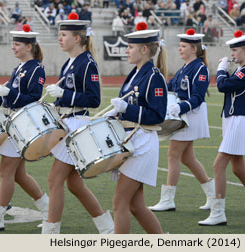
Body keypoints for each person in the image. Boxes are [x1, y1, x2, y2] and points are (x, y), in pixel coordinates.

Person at [42, 13, 114, 234]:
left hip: (77, 125)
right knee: (73, 183)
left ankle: (51, 232)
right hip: (67, 122)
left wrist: (65, 94)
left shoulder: (87, 62)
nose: (60, 39)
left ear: (77, 38)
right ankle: (106, 226)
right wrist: (57, 103)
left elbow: (93, 100)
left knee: (54, 180)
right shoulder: (70, 62)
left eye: (64, 35)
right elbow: (69, 94)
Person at [0, 24, 49, 232]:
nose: (13, 47)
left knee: (6, 171)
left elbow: (33, 99)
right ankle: (47, 209)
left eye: (17, 44)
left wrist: (10, 95)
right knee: (18, 175)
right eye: (13, 44)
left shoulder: (36, 68)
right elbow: (10, 91)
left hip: (23, 125)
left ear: (29, 47)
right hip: (12, 124)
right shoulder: (19, 68)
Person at [103, 22, 167, 233]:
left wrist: (126, 110)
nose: (127, 50)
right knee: (136, 205)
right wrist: (117, 112)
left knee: (119, 203)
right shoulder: (135, 73)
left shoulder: (154, 76)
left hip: (143, 142)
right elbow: (131, 104)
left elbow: (157, 115)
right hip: (131, 140)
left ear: (144, 50)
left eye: (130, 47)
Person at [149, 28, 213, 212]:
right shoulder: (184, 68)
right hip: (183, 114)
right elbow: (170, 87)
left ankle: (168, 199)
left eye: (183, 46)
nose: (179, 49)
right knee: (188, 158)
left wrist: (180, 107)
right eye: (179, 45)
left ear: (194, 49)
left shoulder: (200, 68)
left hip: (190, 115)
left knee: (173, 155)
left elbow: (198, 98)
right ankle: (212, 193)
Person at [199, 30, 245, 226]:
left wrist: (220, 70)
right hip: (233, 118)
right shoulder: (241, 68)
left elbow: (224, 86)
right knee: (237, 167)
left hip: (240, 120)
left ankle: (218, 212)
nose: (232, 54)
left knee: (219, 164)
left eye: (235, 50)